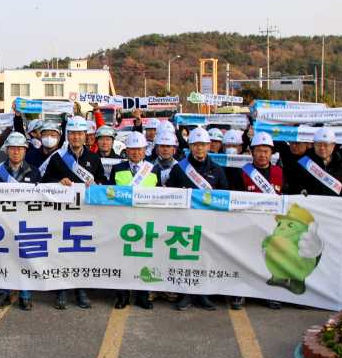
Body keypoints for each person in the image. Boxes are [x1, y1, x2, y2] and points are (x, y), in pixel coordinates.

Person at [42, 116, 107, 311]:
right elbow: (45, 183)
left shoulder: (94, 158)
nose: (77, 137)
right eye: (73, 133)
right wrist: (58, 182)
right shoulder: (57, 158)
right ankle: (62, 290)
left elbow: (103, 180)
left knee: (82, 252)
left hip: (86, 214)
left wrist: (97, 184)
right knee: (61, 250)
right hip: (62, 214)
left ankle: (81, 290)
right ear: (68, 136)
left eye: (80, 133)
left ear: (86, 136)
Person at [173, 126, 228, 310]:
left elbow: (224, 196)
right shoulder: (179, 169)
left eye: (203, 145)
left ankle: (203, 294)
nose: (199, 148)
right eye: (196, 145)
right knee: (185, 258)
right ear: (190, 146)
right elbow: (169, 194)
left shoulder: (217, 170)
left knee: (206, 258)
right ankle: (185, 294)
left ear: (209, 146)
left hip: (208, 223)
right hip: (184, 222)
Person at [0, 132, 40, 310]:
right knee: (3, 258)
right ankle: (3, 292)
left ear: (25, 151)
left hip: (26, 223)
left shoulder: (35, 171)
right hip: (3, 222)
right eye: (13, 149)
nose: (16, 152)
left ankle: (25, 294)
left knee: (25, 258)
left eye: (20, 149)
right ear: (7, 150)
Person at [231, 131, 284, 310]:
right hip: (248, 223)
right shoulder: (242, 173)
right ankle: (241, 293)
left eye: (266, 151)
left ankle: (268, 294)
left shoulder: (280, 173)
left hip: (272, 225)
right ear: (252, 152)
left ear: (271, 153)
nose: (262, 154)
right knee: (246, 258)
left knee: (269, 261)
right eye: (259, 150)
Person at [108, 132, 160, 310]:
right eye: (132, 149)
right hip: (123, 221)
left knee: (144, 259)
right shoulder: (117, 168)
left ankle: (142, 295)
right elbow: (110, 195)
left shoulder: (154, 169)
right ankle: (122, 295)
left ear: (145, 150)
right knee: (121, 259)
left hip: (147, 222)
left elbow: (161, 196)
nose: (136, 153)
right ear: (127, 151)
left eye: (139, 149)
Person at [277, 127, 342, 198]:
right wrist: (301, 190)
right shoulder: (303, 162)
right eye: (319, 144)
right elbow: (292, 185)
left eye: (326, 145)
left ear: (333, 145)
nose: (322, 148)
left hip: (334, 209)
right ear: (314, 145)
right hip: (310, 209)